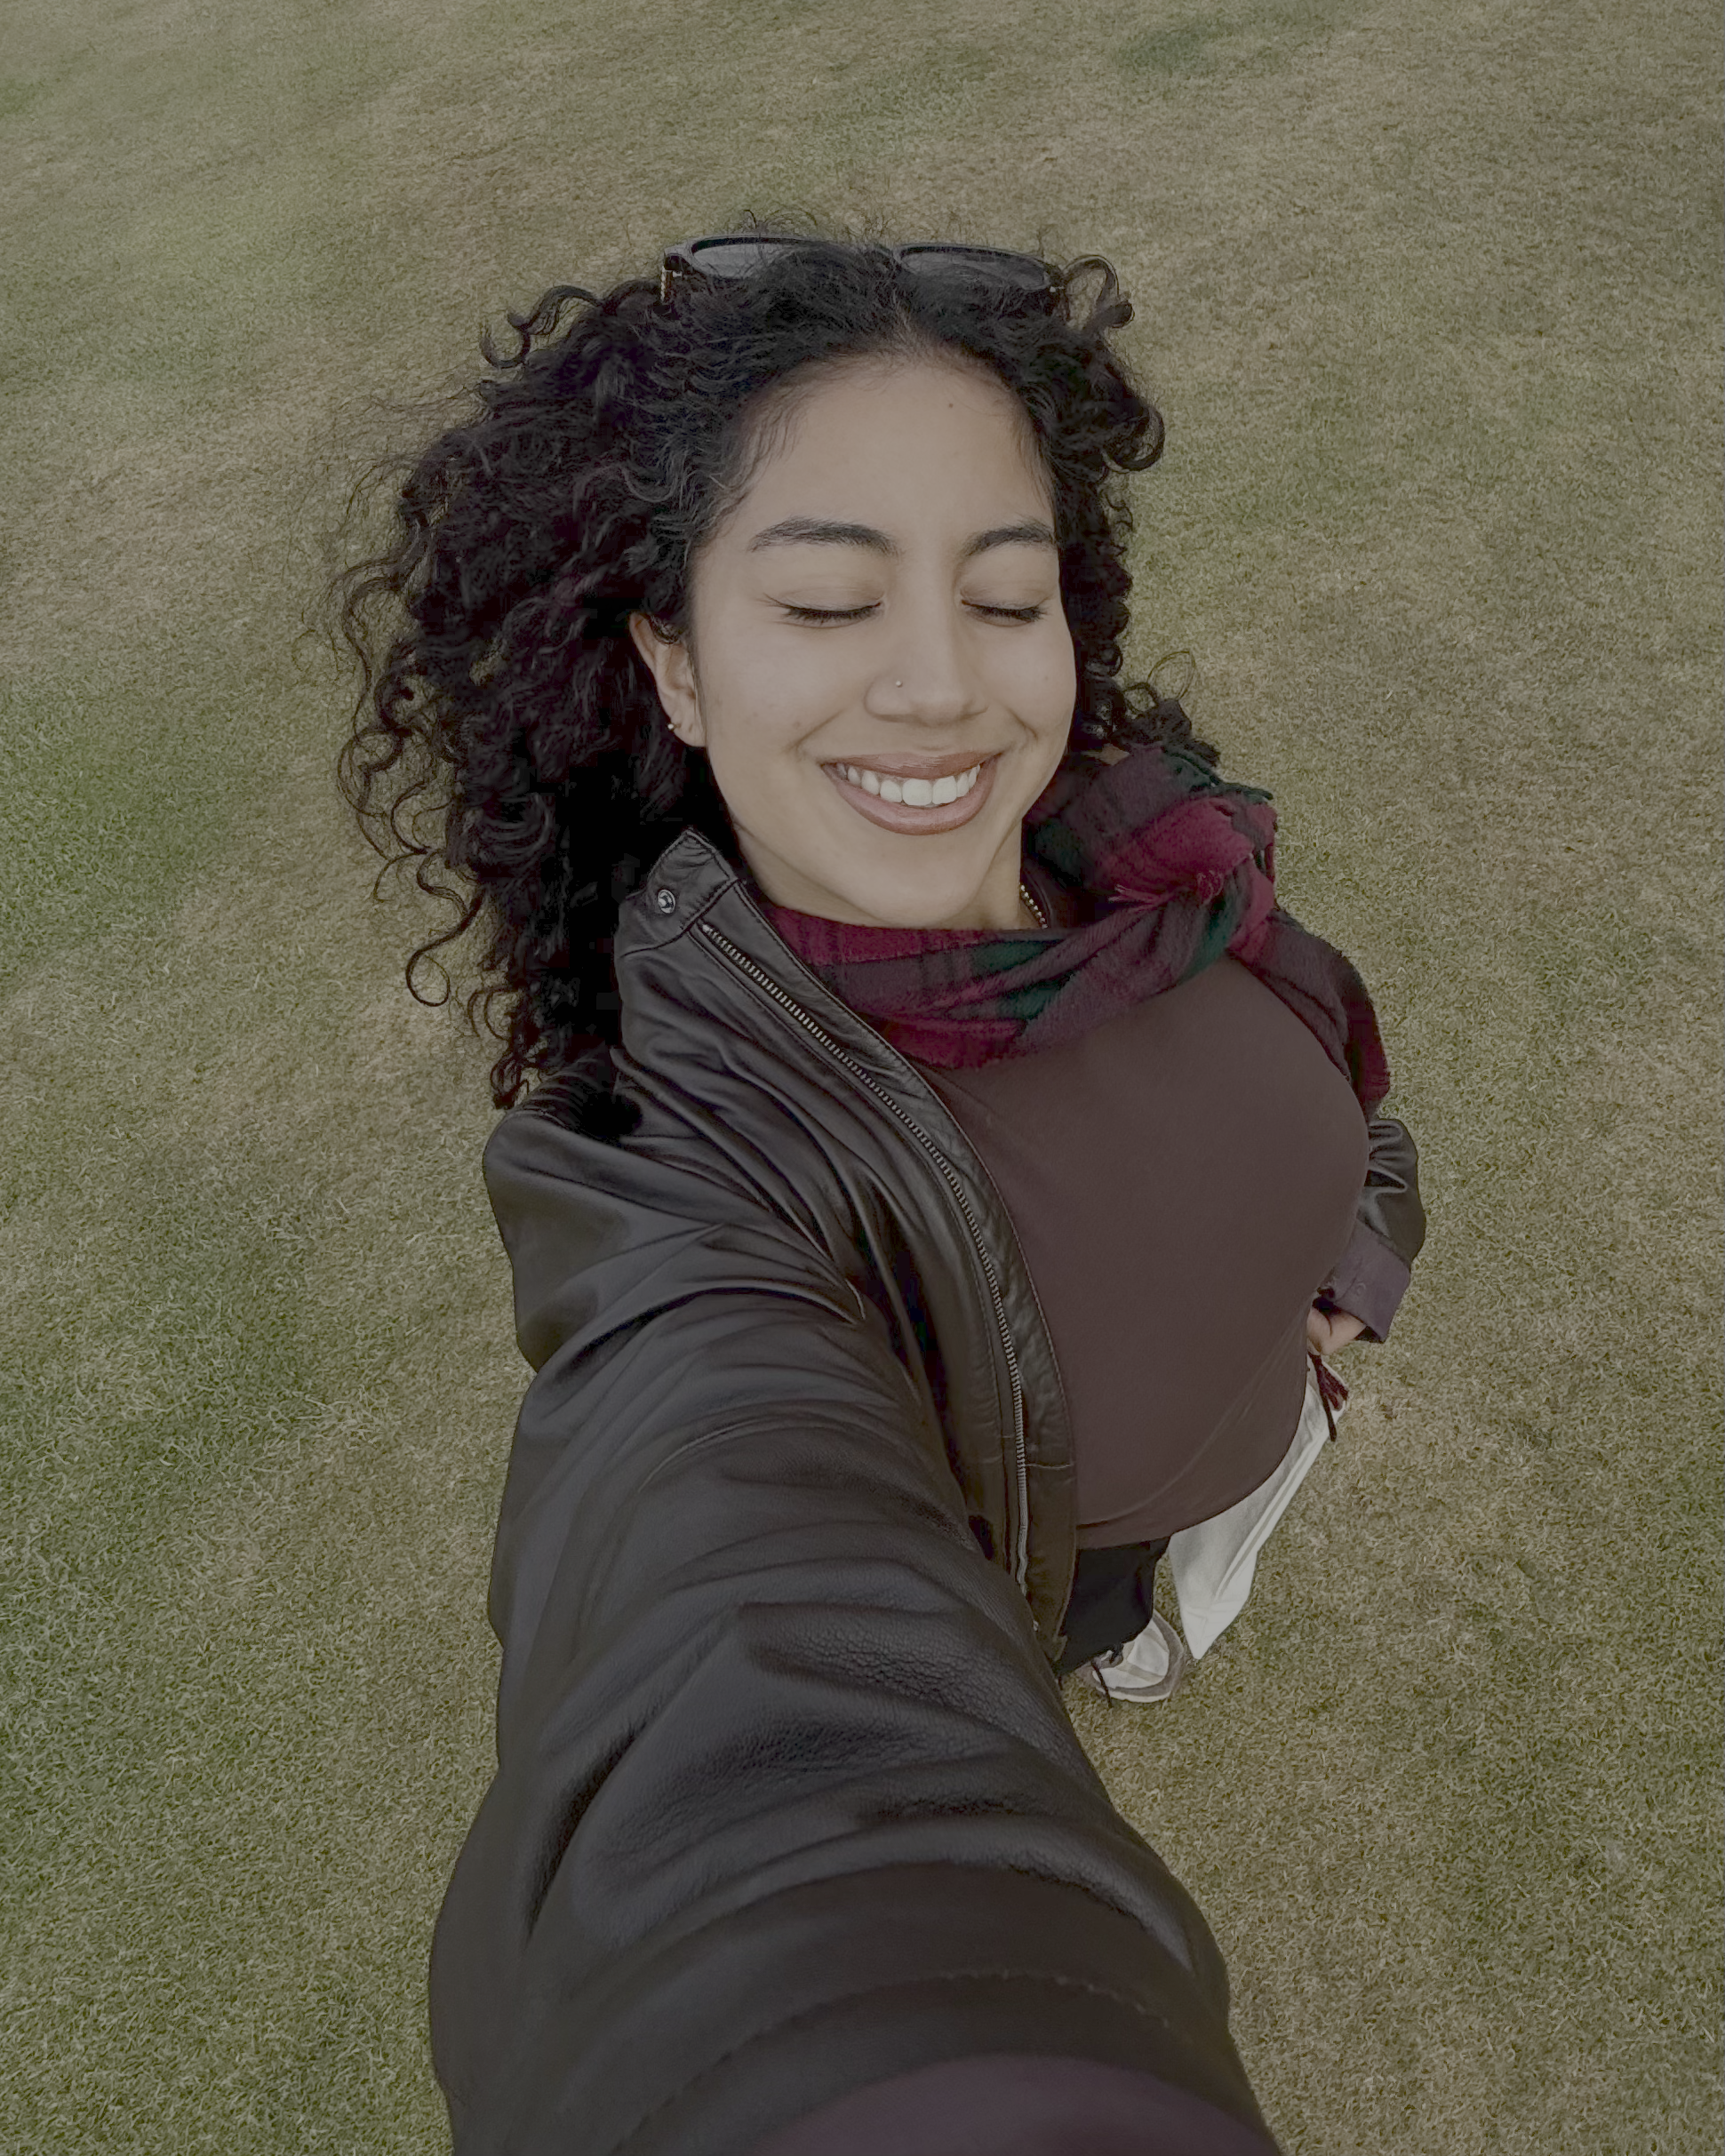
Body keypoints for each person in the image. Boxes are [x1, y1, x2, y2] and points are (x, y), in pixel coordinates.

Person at [329, 228, 1426, 2156]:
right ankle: (1137, 1631)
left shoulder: (1137, 836)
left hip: (1281, 1407)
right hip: (1082, 1550)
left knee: (1236, 1512)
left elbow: (1311, 1046)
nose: (942, 686)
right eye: (830, 600)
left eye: (1005, 595)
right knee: (1132, 1609)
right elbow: (728, 1616)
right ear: (673, 662)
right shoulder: (687, 1173)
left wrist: (1360, 1233)